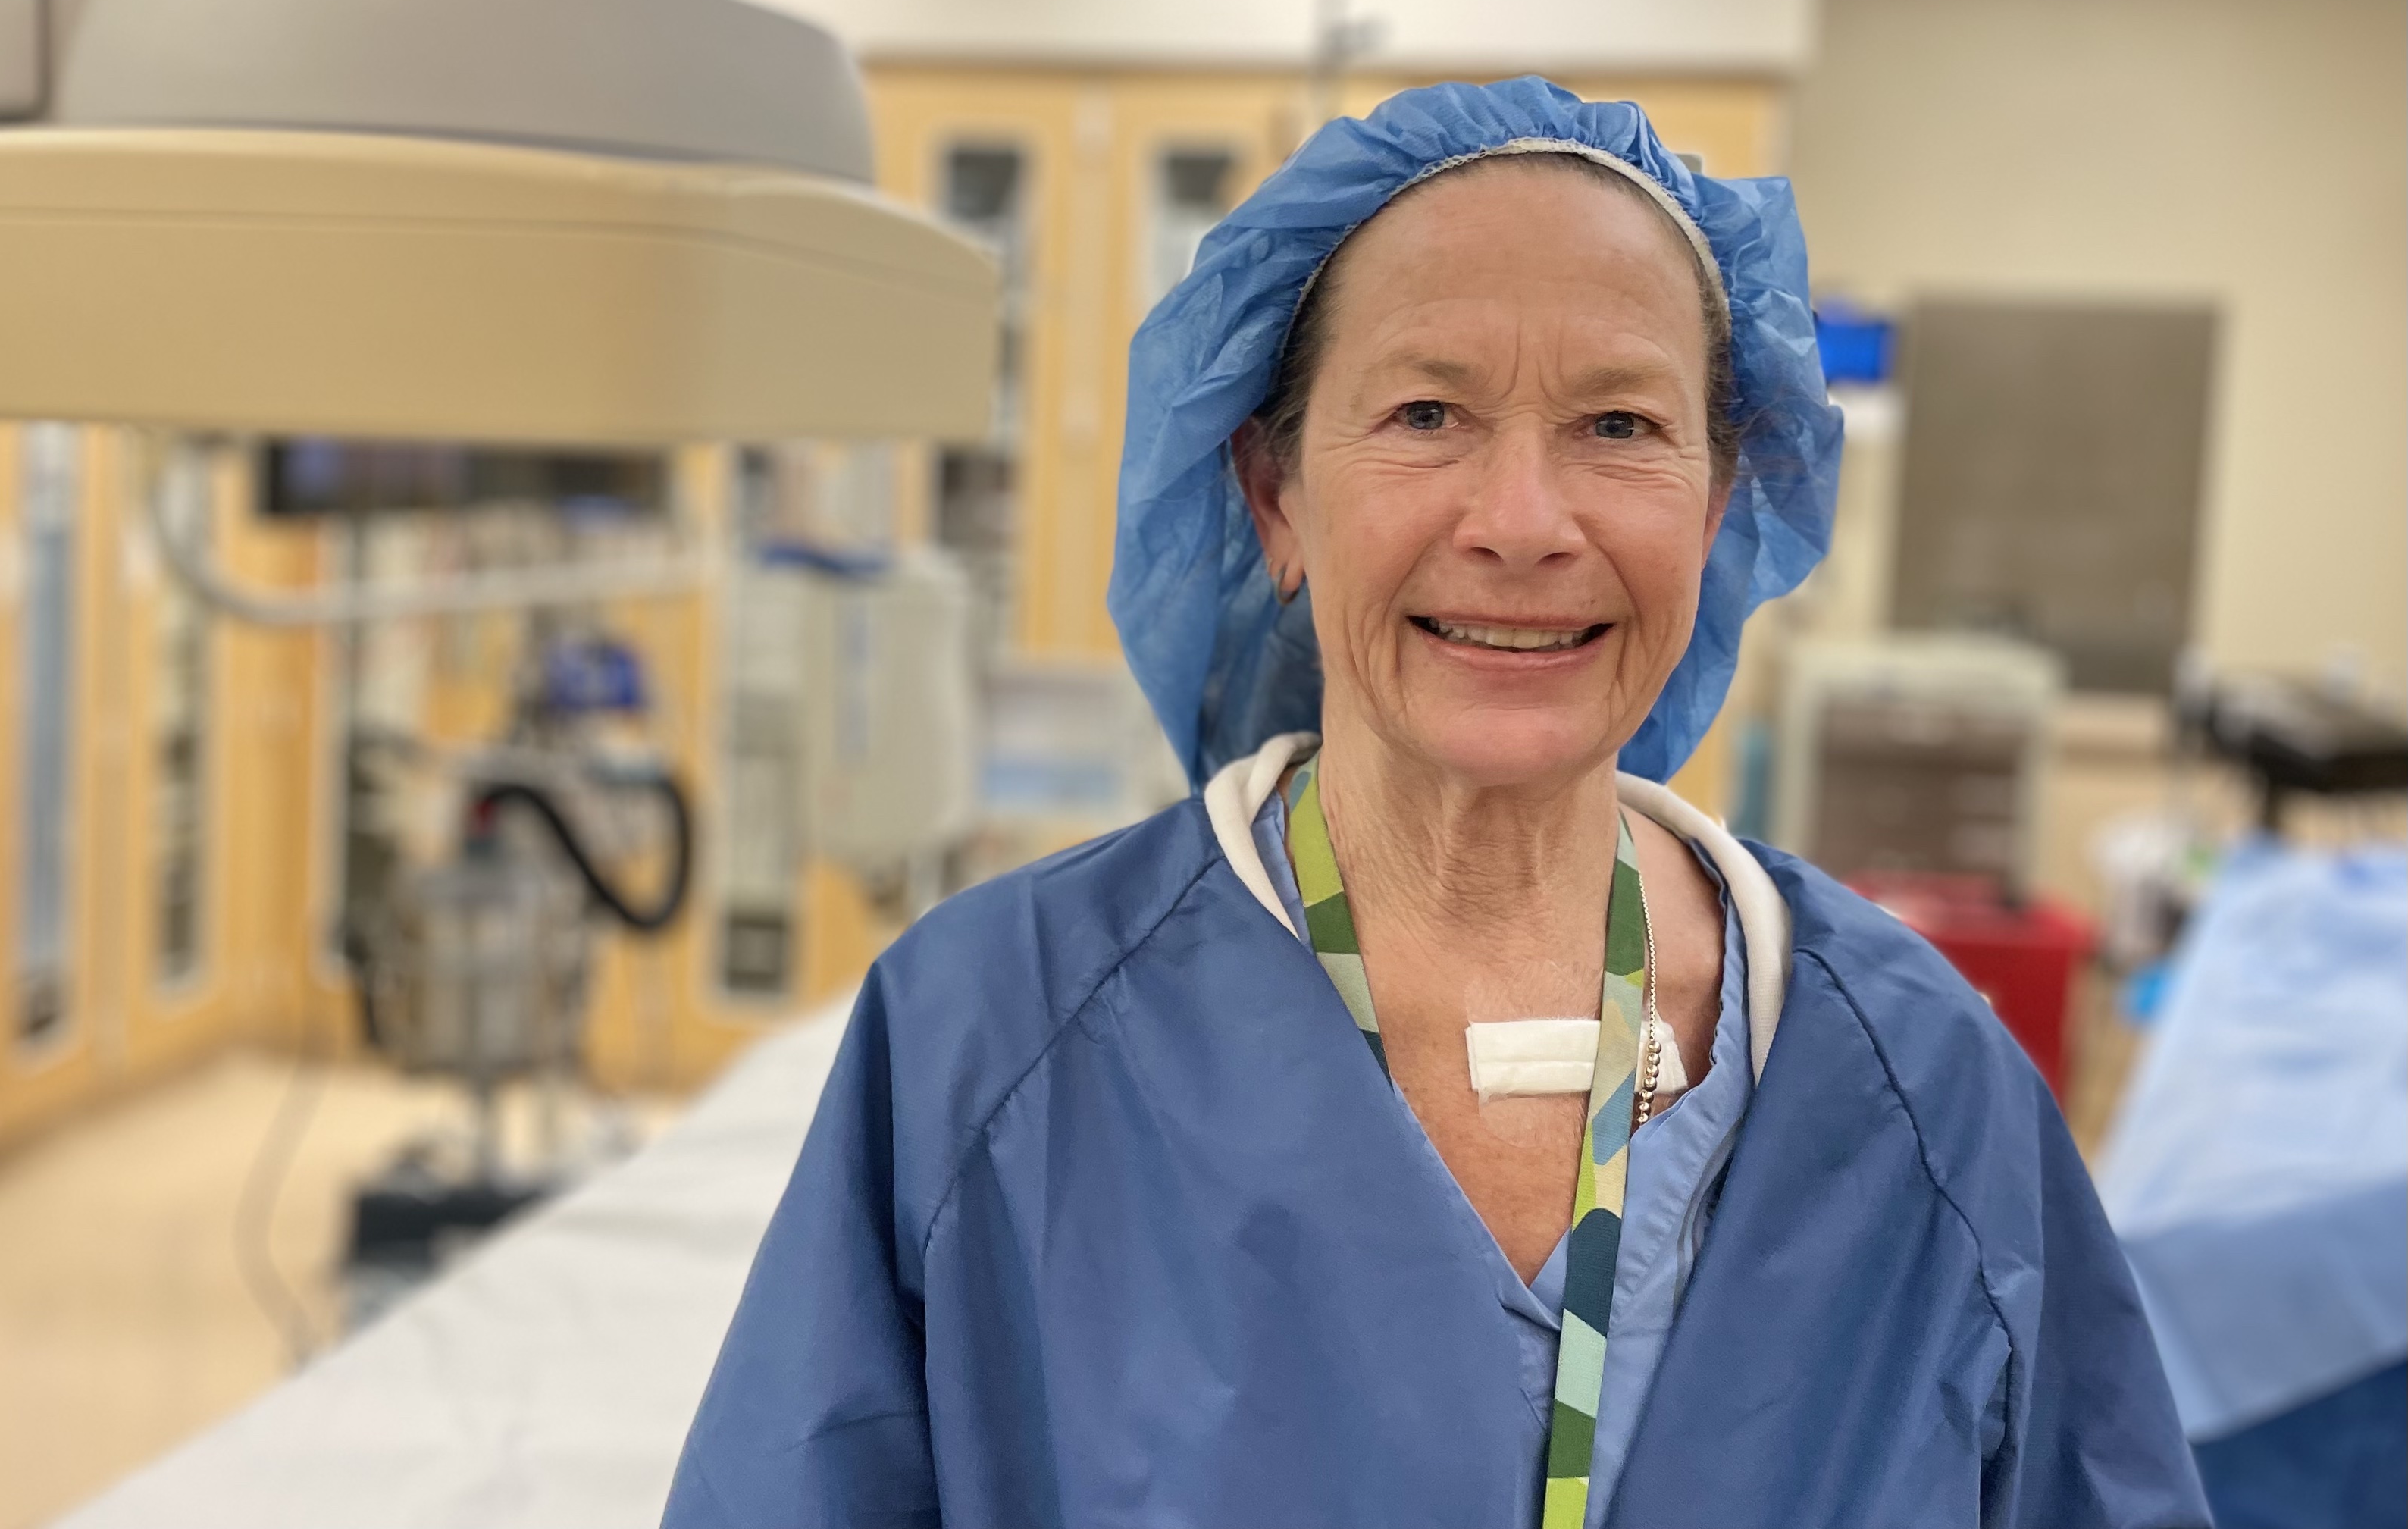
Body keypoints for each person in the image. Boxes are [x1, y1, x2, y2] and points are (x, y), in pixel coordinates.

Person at [665, 78, 2208, 1528]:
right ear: (1274, 496)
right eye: (1424, 415)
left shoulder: (1922, 1084)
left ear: (1722, 499)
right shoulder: (986, 1043)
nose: (1524, 522)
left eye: (1619, 425)